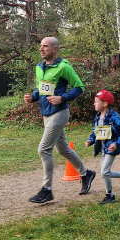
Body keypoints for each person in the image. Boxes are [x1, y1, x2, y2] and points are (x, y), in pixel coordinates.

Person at [24, 37, 95, 203]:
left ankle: (46, 190)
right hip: (46, 114)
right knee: (63, 150)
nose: (41, 49)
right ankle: (86, 173)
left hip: (59, 113)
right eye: (41, 46)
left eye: (46, 46)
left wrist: (62, 98)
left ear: (55, 49)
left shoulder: (63, 67)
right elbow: (41, 90)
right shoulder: (39, 67)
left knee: (43, 149)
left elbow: (80, 87)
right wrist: (32, 98)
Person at [85, 90, 120, 205]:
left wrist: (116, 144)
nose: (94, 104)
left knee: (104, 172)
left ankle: (109, 195)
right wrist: (91, 140)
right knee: (105, 172)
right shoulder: (97, 117)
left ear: (105, 104)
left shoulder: (114, 117)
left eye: (96, 101)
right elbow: (95, 132)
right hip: (101, 148)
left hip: (111, 149)